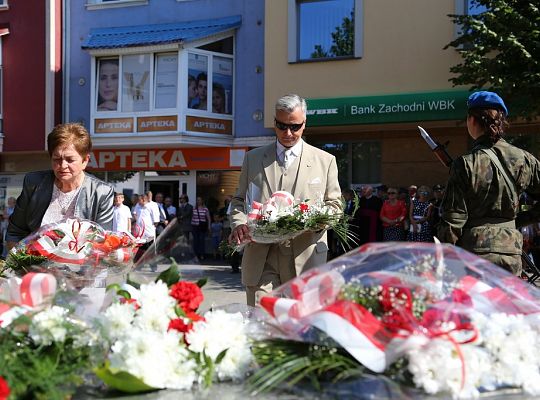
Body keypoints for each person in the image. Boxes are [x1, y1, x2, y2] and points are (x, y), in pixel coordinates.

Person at [230, 93, 342, 306]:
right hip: (261, 259)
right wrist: (239, 223)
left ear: (304, 123)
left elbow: (335, 206)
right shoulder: (252, 159)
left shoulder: (325, 161)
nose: (288, 133)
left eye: (295, 127)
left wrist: (316, 219)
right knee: (262, 324)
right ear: (274, 123)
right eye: (281, 126)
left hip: (305, 257)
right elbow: (237, 201)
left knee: (298, 330)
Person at [439, 91, 540, 276]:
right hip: (511, 252)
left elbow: (453, 219)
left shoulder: (466, 163)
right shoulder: (525, 159)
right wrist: (520, 220)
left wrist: (443, 260)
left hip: (473, 255)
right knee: (504, 304)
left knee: (476, 304)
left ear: (472, 120)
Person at [6, 123, 114, 248]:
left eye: (70, 160)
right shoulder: (34, 183)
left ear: (85, 161)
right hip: (32, 265)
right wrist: (20, 262)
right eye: (57, 159)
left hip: (82, 266)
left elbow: (101, 244)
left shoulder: (101, 192)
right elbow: (15, 233)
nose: (62, 166)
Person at [133, 193, 158, 262]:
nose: (138, 201)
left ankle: (153, 265)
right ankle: (137, 264)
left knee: (150, 249)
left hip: (149, 232)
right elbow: (134, 213)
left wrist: (151, 228)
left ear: (144, 200)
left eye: (139, 200)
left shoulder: (151, 206)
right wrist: (137, 221)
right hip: (140, 232)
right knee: (140, 248)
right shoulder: (138, 205)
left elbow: (156, 220)